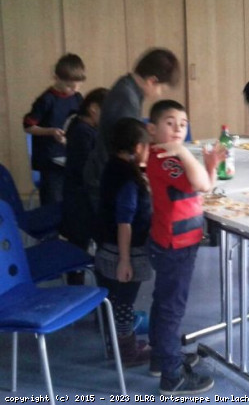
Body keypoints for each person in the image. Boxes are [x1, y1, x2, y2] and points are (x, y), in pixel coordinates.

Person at [146, 100, 224, 394]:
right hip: (174, 244)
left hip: (176, 240)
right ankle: (172, 375)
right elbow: (201, 185)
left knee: (164, 301)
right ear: (152, 130)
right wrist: (183, 151)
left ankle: (161, 358)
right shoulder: (166, 157)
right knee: (171, 309)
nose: (178, 128)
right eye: (170, 123)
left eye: (183, 123)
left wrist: (210, 165)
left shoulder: (172, 156)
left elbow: (204, 185)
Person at [84, 48, 180, 216]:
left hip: (109, 171)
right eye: (161, 89)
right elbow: (128, 144)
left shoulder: (127, 86)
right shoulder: (126, 97)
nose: (159, 95)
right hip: (107, 176)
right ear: (152, 81)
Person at [94, 118, 153, 367]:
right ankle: (127, 353)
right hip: (122, 252)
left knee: (117, 302)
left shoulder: (114, 166)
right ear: (138, 147)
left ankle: (116, 347)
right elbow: (124, 222)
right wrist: (125, 260)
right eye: (148, 146)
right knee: (124, 304)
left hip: (109, 248)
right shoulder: (128, 178)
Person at [23, 53, 86, 205]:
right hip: (49, 160)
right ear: (56, 78)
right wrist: (50, 131)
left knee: (73, 199)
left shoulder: (77, 98)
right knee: (53, 201)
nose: (73, 90)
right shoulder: (46, 100)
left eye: (77, 86)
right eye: (69, 86)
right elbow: (28, 126)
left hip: (69, 157)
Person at [62, 87, 109, 252]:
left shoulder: (83, 127)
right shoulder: (82, 132)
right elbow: (88, 169)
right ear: (93, 108)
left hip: (81, 197)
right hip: (82, 202)